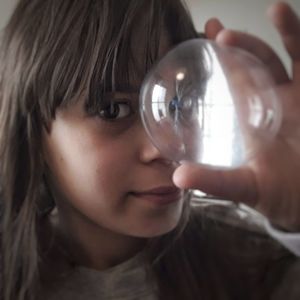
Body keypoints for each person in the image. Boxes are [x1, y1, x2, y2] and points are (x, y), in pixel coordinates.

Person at [0, 0, 300, 299]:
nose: (169, 147)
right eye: (113, 110)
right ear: (33, 131)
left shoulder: (252, 263)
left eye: (178, 104)